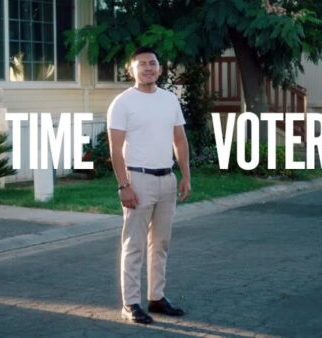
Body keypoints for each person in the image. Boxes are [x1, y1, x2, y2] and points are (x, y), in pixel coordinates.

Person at [107, 47, 191, 325]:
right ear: (131, 70)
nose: (148, 68)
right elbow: (115, 149)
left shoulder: (169, 100)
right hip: (138, 180)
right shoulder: (122, 103)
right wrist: (124, 185)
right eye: (141, 64)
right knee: (134, 245)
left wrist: (185, 175)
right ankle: (130, 303)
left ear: (160, 68)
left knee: (161, 243)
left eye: (152, 63)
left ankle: (157, 297)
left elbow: (179, 140)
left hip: (166, 179)